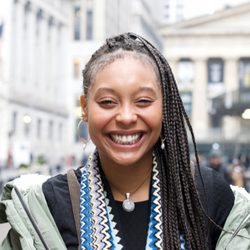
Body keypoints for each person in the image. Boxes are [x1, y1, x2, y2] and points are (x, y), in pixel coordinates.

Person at [1, 33, 250, 250]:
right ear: (85, 109)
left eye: (143, 101)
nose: (127, 117)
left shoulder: (206, 192)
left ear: (165, 108)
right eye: (108, 102)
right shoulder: (46, 207)